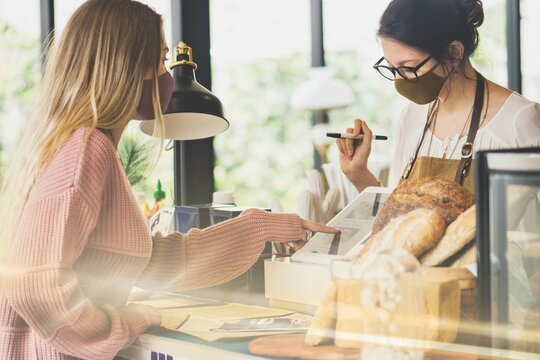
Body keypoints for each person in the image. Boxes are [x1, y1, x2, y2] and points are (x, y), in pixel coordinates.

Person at [0, 1, 337, 359]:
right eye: (161, 61)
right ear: (127, 66)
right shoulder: (86, 149)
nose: (166, 77)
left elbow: (148, 263)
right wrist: (117, 326)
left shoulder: (70, 144)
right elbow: (35, 282)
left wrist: (260, 226)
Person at [338, 0, 540, 193]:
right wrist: (359, 174)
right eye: (392, 69)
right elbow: (397, 218)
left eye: (408, 68)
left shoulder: (517, 121)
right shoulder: (411, 117)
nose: (400, 80)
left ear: (454, 52)